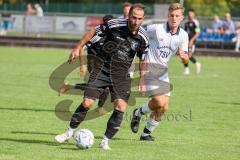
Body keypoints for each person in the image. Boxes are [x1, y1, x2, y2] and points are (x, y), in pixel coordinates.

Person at [55, 3, 149, 150]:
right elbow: (93, 31)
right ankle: (68, 133)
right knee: (87, 103)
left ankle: (105, 141)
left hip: (121, 75)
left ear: (143, 19)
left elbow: (144, 59)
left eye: (139, 19)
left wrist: (142, 79)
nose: (136, 21)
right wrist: (78, 47)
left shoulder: (143, 37)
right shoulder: (114, 24)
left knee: (121, 106)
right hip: (102, 69)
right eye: (134, 17)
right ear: (129, 16)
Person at [130, 3, 189, 141]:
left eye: (177, 16)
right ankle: (138, 113)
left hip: (163, 72)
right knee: (158, 101)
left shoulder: (183, 36)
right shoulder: (156, 29)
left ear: (182, 18)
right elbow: (138, 31)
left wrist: (184, 57)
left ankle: (145, 134)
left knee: (163, 108)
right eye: (171, 15)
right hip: (149, 68)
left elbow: (186, 59)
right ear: (168, 16)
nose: (174, 18)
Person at [58, 15, 115, 115]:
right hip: (94, 65)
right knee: (102, 87)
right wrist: (82, 66)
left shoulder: (113, 37)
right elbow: (81, 48)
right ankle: (98, 107)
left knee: (103, 87)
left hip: (105, 66)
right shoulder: (96, 36)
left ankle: (69, 87)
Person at [183, 8, 201, 75]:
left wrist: (191, 40)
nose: (190, 15)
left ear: (194, 14)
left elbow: (197, 33)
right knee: (185, 55)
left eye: (191, 13)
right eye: (189, 13)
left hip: (192, 42)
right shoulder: (186, 23)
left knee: (189, 55)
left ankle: (196, 63)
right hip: (186, 42)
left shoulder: (196, 22)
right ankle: (187, 69)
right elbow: (184, 32)